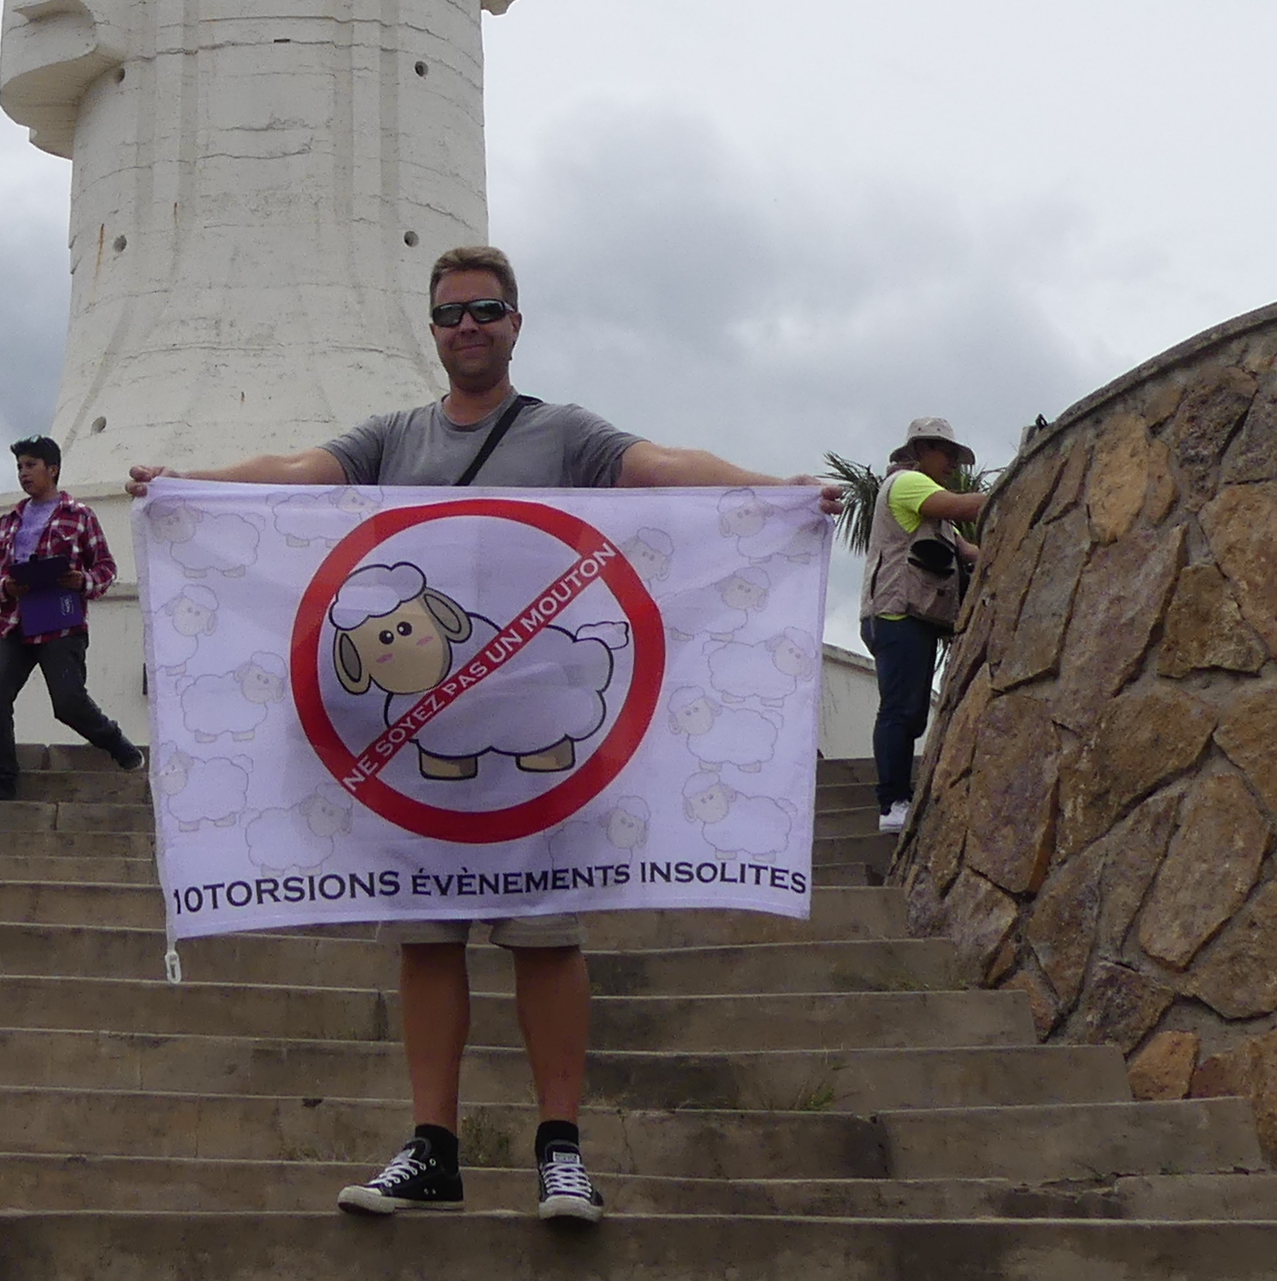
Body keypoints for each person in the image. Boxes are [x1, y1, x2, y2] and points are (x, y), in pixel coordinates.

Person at [128, 244, 846, 1229]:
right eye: (451, 315)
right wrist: (189, 483)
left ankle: (561, 1151)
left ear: (516, 323)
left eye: (486, 311)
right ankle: (433, 1149)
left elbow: (666, 470)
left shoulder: (564, 435)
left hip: (537, 733)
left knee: (546, 937)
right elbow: (297, 473)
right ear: (431, 331)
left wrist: (777, 491)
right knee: (427, 938)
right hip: (427, 749)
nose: (468, 328)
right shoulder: (392, 438)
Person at [0, 436, 142, 804]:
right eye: (20, 466)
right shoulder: (9, 520)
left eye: (31, 465)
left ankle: (116, 742)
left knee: (69, 702)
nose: (24, 473)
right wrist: (7, 586)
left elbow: (106, 568)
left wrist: (82, 582)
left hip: (60, 619)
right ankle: (1, 781)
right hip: (13, 620)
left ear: (52, 469)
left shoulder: (80, 515)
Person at [863, 413, 987, 839]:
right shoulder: (909, 484)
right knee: (900, 710)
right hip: (897, 613)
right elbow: (963, 505)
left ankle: (898, 797)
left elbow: (967, 549)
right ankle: (892, 801)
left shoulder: (936, 517)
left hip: (914, 616)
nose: (952, 462)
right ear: (921, 452)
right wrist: (1014, 492)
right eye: (945, 452)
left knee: (911, 710)